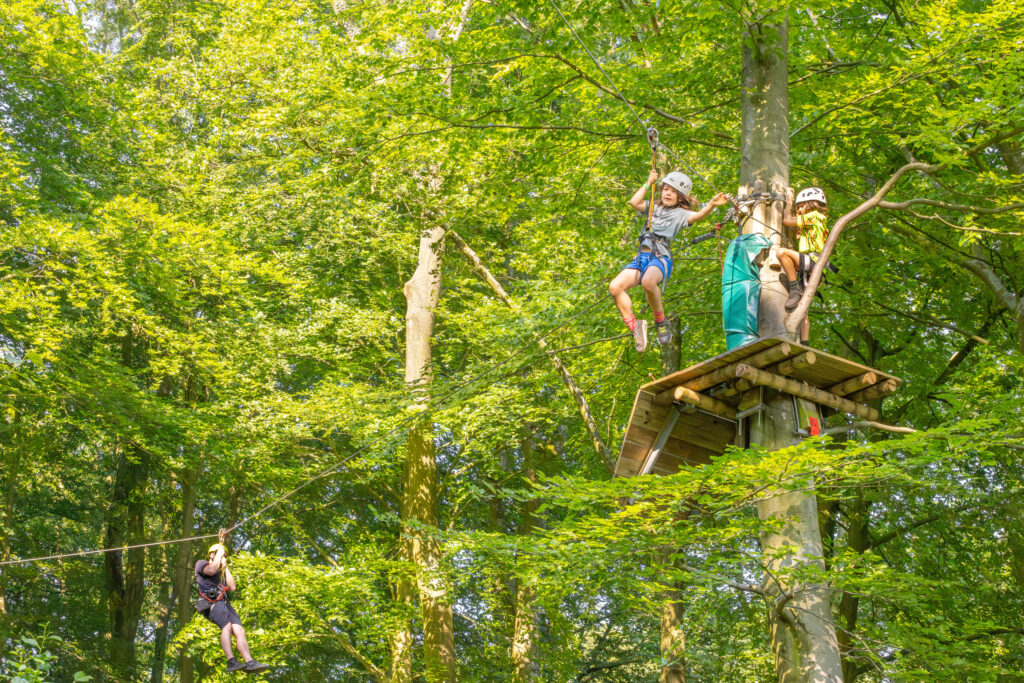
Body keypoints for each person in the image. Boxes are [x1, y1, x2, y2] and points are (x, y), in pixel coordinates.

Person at [609, 169, 730, 352]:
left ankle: (660, 321)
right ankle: (636, 328)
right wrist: (648, 182)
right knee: (615, 287)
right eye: (666, 189)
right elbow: (634, 202)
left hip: (660, 257)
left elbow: (697, 217)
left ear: (680, 197)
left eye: (674, 192)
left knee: (648, 282)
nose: (668, 194)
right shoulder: (653, 207)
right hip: (642, 257)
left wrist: (712, 204)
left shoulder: (681, 214)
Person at [195, 530, 270, 674]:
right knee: (227, 626)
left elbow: (232, 587)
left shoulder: (221, 572)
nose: (223, 557)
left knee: (239, 630)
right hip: (211, 603)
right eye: (221, 555)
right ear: (213, 555)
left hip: (224, 602)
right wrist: (219, 555)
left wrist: (226, 567)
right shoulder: (202, 564)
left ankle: (250, 662)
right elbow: (211, 570)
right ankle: (231, 661)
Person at [778, 186, 829, 345]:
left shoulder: (815, 216)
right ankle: (805, 343)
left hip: (813, 261)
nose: (798, 210)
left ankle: (794, 288)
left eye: (801, 206)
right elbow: (798, 232)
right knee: (803, 308)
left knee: (782, 253)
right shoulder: (814, 220)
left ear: (810, 204)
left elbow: (787, 221)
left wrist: (788, 203)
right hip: (811, 264)